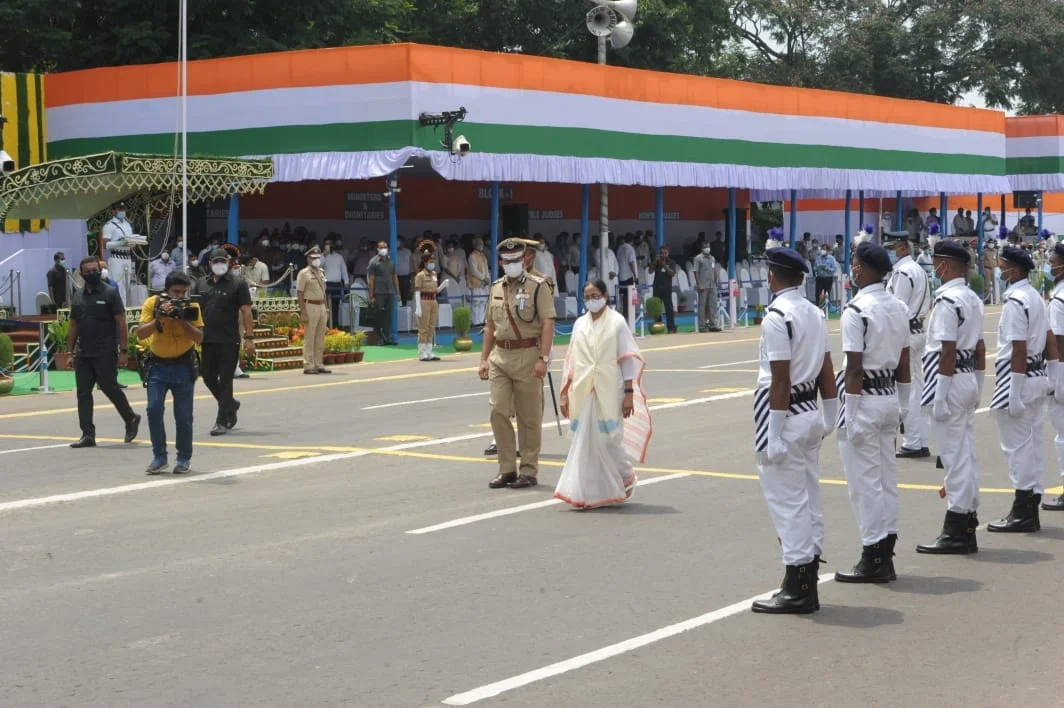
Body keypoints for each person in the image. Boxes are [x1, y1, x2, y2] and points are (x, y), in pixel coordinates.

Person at [750, 247, 838, 615]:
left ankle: (799, 585)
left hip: (785, 416)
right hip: (810, 412)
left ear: (773, 275)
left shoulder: (777, 317)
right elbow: (826, 368)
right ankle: (806, 573)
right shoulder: (815, 313)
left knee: (788, 503)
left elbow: (780, 379)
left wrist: (772, 434)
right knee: (807, 496)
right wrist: (831, 415)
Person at [834, 242, 911, 583]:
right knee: (886, 479)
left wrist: (849, 416)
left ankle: (872, 555)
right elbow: (905, 364)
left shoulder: (857, 309)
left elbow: (853, 368)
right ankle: (886, 553)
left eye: (854, 263)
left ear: (863, 268)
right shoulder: (898, 306)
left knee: (863, 484)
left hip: (863, 399)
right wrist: (904, 406)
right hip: (889, 396)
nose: (852, 269)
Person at [554, 278, 652, 509]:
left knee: (609, 439)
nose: (591, 301)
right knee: (584, 440)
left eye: (595, 296)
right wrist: (565, 391)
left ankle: (625, 476)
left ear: (606, 296)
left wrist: (628, 393)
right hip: (583, 389)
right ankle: (585, 493)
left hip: (610, 388)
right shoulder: (580, 324)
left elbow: (627, 358)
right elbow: (571, 358)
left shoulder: (617, 322)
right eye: (587, 297)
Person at [915, 240, 987, 554]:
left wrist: (940, 397)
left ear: (946, 264)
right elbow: (980, 348)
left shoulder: (947, 301)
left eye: (936, 262)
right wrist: (978, 385)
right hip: (966, 378)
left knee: (954, 458)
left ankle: (957, 527)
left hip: (950, 381)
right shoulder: (971, 298)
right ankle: (967, 517)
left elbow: (946, 352)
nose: (934, 268)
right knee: (965, 455)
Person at [480, 238, 556, 489]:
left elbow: (547, 322)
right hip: (500, 356)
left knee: (528, 416)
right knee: (498, 411)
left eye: (516, 260)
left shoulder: (538, 286)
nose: (511, 265)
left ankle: (529, 470)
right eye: (507, 261)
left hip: (527, 355)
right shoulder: (496, 288)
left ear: (524, 260)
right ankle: (507, 469)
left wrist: (543, 358)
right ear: (501, 262)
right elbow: (490, 326)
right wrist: (483, 359)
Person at [984, 245, 1049, 532]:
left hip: (1019, 378)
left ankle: (1023, 509)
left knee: (1016, 448)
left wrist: (1012, 392)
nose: (1000, 269)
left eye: (1003, 265)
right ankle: (1031, 503)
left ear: (1015, 269)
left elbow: (1018, 348)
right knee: (1031, 445)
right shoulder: (1034, 296)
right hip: (1037, 375)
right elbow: (1049, 340)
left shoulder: (1015, 301)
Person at [62, 256, 141, 448]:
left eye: (94, 270)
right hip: (83, 353)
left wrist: (123, 351)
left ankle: (130, 418)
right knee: (83, 393)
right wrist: (69, 352)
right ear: (81, 274)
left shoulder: (110, 293)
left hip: (105, 351)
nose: (91, 274)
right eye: (87, 271)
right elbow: (74, 325)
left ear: (100, 271)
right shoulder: (78, 296)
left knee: (109, 387)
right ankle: (87, 434)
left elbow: (121, 322)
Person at [134, 271, 204, 475]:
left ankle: (183, 458)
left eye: (184, 292)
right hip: (157, 365)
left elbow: (199, 337)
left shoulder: (192, 306)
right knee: (153, 409)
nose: (180, 297)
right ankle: (159, 457)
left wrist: (182, 319)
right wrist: (161, 318)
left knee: (183, 416)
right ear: (166, 291)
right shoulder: (152, 304)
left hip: (183, 365)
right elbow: (141, 334)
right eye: (176, 292)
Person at [193, 248, 255, 435]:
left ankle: (222, 420)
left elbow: (246, 311)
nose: (220, 264)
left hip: (229, 339)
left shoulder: (237, 283)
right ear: (210, 264)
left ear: (228, 263)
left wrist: (249, 338)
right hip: (207, 338)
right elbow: (194, 310)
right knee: (208, 376)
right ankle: (230, 404)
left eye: (223, 261)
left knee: (226, 379)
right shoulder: (200, 284)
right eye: (216, 261)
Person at [885, 233, 932, 459]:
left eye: (894, 246)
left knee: (907, 389)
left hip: (906, 332)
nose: (891, 251)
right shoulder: (918, 269)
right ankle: (919, 439)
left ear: (903, 247)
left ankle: (913, 441)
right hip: (917, 329)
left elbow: (897, 307)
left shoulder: (903, 272)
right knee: (916, 387)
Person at [1042, 243, 1064, 512]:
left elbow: (1059, 340)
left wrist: (1057, 378)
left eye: (1053, 260)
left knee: (1062, 434)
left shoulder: (1058, 299)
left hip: (1063, 368)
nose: (1049, 264)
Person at [297, 246, 330, 375]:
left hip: (321, 305)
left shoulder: (321, 272)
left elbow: (324, 291)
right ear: (308, 259)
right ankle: (308, 364)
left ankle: (318, 363)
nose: (316, 260)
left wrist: (326, 307)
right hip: (310, 305)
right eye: (313, 258)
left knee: (320, 336)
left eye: (318, 258)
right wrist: (303, 312)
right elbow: (299, 293)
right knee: (310, 336)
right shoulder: (304, 273)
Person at [414, 241, 448, 362]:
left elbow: (435, 290)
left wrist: (443, 286)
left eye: (433, 262)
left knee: (431, 327)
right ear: (425, 263)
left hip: (433, 301)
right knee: (423, 327)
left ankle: (429, 351)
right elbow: (417, 291)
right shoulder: (420, 275)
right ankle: (422, 352)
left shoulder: (434, 274)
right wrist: (417, 307)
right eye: (430, 262)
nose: (432, 264)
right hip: (424, 301)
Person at [367, 240, 400, 346]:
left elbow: (394, 277)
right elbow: (371, 280)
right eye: (381, 247)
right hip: (378, 292)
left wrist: (398, 292)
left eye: (385, 247)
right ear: (377, 249)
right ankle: (379, 338)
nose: (383, 249)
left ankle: (388, 337)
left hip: (390, 292)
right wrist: (371, 295)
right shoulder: (373, 262)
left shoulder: (391, 261)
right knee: (378, 316)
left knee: (388, 316)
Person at [102, 201, 135, 303]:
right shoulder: (109, 225)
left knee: (127, 285)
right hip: (116, 257)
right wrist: (120, 243)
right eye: (120, 209)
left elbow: (131, 241)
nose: (122, 211)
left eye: (123, 209)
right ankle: (117, 308)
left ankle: (125, 307)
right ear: (113, 211)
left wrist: (134, 242)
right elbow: (105, 245)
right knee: (116, 283)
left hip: (127, 257)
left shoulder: (128, 225)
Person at [693, 243, 720, 332]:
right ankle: (702, 325)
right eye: (705, 247)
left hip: (712, 285)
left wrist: (716, 282)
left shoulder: (712, 258)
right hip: (703, 285)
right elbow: (695, 272)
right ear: (701, 248)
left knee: (713, 305)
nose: (707, 248)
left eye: (708, 247)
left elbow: (714, 270)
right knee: (702, 306)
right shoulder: (698, 258)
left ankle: (713, 324)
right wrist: (699, 284)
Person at [322, 241, 349, 328]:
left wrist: (346, 282)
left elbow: (343, 270)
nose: (329, 246)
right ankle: (326, 326)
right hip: (326, 284)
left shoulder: (339, 257)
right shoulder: (322, 256)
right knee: (326, 307)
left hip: (337, 285)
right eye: (327, 244)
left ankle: (335, 326)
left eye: (330, 244)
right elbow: (318, 265)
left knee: (335, 306)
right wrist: (324, 255)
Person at [651, 247, 677, 333]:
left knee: (669, 308)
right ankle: (658, 327)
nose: (663, 255)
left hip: (666, 288)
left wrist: (664, 265)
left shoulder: (671, 262)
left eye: (665, 253)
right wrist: (655, 262)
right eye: (661, 253)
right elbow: (650, 271)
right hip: (657, 287)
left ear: (668, 253)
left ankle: (671, 327)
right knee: (657, 309)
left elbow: (672, 274)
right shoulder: (657, 262)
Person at [467, 237, 490, 326]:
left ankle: (481, 321)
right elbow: (474, 270)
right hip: (476, 282)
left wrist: (487, 278)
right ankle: (476, 321)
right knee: (476, 302)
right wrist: (483, 278)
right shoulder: (472, 256)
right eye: (480, 243)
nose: (481, 245)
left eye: (482, 243)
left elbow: (486, 269)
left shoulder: (483, 255)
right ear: (475, 245)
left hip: (485, 283)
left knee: (483, 302)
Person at [396, 236, 413, 306]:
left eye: (400, 241)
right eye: (397, 241)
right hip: (395, 277)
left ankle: (404, 308)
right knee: (396, 295)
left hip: (406, 277)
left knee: (405, 294)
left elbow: (411, 264)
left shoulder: (408, 252)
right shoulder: (392, 251)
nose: (399, 243)